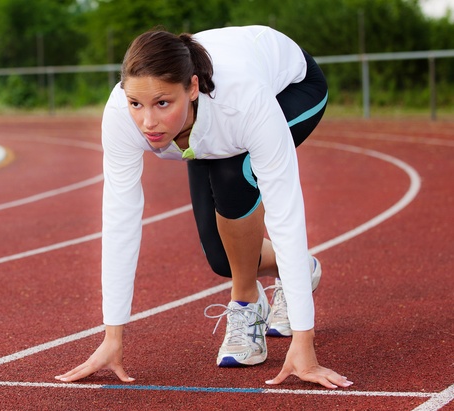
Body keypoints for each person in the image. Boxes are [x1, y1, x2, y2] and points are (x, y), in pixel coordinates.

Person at [55, 25, 353, 389]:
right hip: (207, 118)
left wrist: (304, 345)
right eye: (137, 104)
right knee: (221, 259)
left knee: (232, 170)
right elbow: (120, 219)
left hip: (293, 86)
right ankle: (298, 272)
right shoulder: (123, 115)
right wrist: (111, 338)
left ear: (192, 88)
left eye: (162, 103)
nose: (148, 122)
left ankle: (246, 303)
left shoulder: (243, 103)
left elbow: (285, 211)